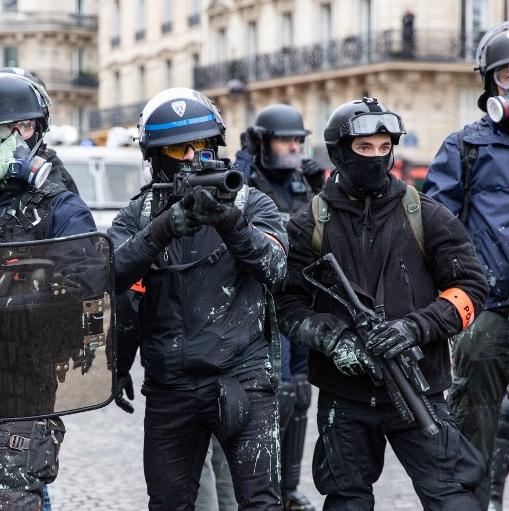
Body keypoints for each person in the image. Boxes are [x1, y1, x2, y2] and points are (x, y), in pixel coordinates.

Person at [277, 96, 489, 510]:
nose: (376, 157)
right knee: (346, 499)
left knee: (452, 496)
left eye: (383, 147)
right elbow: (286, 303)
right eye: (364, 148)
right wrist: (334, 339)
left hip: (420, 387)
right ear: (340, 152)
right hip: (344, 397)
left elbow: (470, 288)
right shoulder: (309, 224)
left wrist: (415, 328)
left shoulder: (426, 214)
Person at [108, 87, 288, 510]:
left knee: (261, 503)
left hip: (243, 379)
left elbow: (277, 269)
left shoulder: (251, 202)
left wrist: (230, 222)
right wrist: (163, 228)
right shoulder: (137, 214)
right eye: (177, 148)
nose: (191, 158)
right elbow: (110, 275)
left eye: (201, 146)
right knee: (169, 503)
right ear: (155, 155)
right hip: (171, 387)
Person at [422, 22, 509, 508]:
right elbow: (434, 229)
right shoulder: (465, 147)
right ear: (490, 84)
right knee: (473, 428)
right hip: (487, 311)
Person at [0, 73, 96, 509]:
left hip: (24, 377)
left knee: (17, 495)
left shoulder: (60, 205)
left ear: (29, 130)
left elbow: (87, 284)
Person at [235, 103, 324, 511]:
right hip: (263, 304)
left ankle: (289, 487)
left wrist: (321, 188)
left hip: (301, 297)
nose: (294, 147)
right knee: (281, 394)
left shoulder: (304, 183)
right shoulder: (247, 181)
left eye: (299, 140)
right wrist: (243, 158)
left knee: (302, 393)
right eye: (285, 139)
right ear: (262, 142)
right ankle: (268, 486)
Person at [0, 67, 79, 195]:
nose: (14, 138)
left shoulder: (57, 181)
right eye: (4, 127)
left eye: (25, 125)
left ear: (40, 128)